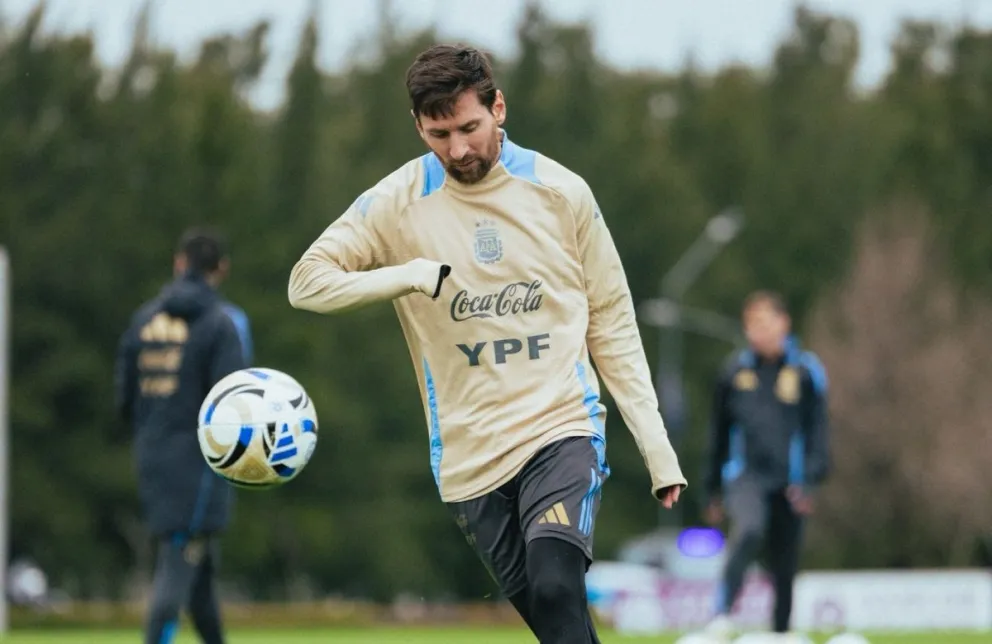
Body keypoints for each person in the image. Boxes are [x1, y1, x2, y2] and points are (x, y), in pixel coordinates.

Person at [287, 44, 686, 643]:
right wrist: (410, 275)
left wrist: (657, 449)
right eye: (438, 133)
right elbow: (305, 283)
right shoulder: (398, 202)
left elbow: (612, 320)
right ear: (418, 125)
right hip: (468, 455)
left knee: (557, 586)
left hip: (560, 427)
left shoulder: (561, 192)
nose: (457, 150)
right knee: (559, 624)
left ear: (499, 107)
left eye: (470, 127)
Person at [115, 227, 252, 644]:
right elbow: (235, 400)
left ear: (179, 263)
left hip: (152, 457)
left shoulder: (141, 320)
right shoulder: (222, 323)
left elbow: (123, 400)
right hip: (199, 465)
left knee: (199, 578)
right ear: (221, 269)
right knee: (177, 567)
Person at [702, 290, 830, 640]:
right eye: (751, 324)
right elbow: (718, 434)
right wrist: (711, 489)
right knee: (749, 529)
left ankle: (782, 631)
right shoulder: (733, 373)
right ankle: (721, 613)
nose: (758, 330)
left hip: (791, 481)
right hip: (746, 477)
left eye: (765, 322)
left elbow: (818, 431)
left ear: (783, 323)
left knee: (784, 565)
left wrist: (811, 482)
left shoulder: (806, 371)